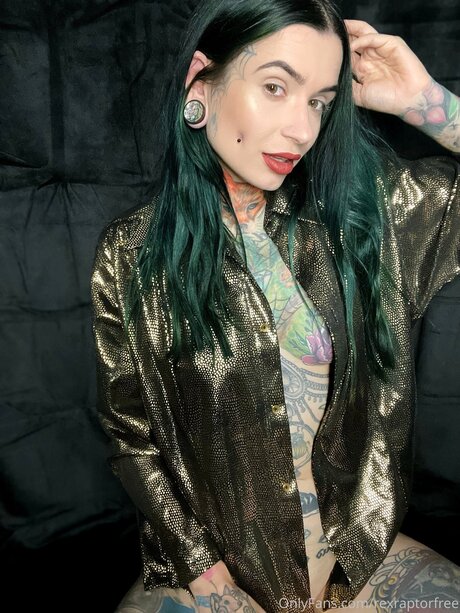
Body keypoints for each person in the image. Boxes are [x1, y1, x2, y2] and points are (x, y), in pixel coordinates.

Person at [90, 0, 460, 611]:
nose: (303, 130)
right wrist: (202, 570)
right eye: (275, 87)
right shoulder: (131, 255)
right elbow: (131, 437)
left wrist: (424, 100)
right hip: (214, 579)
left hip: (352, 563)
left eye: (320, 102)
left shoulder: (356, 223)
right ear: (201, 82)